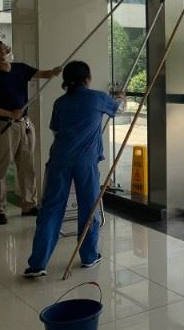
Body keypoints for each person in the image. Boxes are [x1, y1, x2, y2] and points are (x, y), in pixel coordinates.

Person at [24, 60, 124, 278]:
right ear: (87, 78)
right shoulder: (97, 98)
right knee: (89, 207)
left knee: (51, 209)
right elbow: (119, 109)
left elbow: (56, 130)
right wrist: (121, 98)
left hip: (59, 160)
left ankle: (38, 264)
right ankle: (88, 256)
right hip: (85, 163)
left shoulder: (60, 102)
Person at [0, 40, 62, 225]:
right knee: (1, 168)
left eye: (5, 46)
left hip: (25, 124)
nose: (7, 48)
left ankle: (29, 205)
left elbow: (42, 74)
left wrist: (53, 71)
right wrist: (9, 113)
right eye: (2, 48)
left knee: (27, 166)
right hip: (5, 126)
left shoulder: (20, 68)